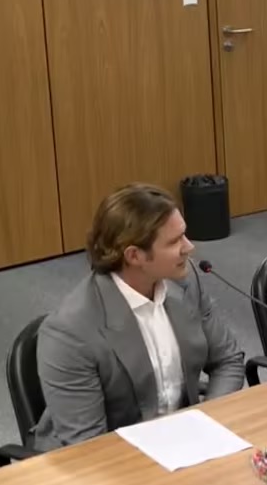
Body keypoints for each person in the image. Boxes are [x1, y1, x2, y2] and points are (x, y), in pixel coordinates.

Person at [32, 185, 245, 450]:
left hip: (183, 443)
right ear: (134, 255)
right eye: (174, 241)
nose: (189, 247)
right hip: (106, 458)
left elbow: (227, 361)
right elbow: (88, 446)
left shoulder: (186, 282)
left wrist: (206, 424)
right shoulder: (70, 333)